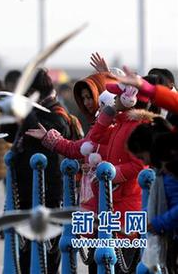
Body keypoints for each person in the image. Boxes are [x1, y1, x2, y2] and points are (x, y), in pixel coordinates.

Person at [26, 82, 155, 274]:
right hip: (103, 206)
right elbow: (83, 145)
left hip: (125, 208)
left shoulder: (139, 127)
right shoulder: (116, 124)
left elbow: (139, 165)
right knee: (98, 262)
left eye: (116, 98)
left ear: (130, 100)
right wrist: (49, 138)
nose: (112, 102)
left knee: (120, 265)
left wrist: (110, 175)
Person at [11, 68, 73, 274]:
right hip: (27, 187)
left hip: (49, 189)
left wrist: (26, 112)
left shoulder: (57, 111)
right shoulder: (35, 110)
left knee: (50, 243)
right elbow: (13, 135)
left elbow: (58, 130)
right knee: (26, 241)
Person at [127, 118, 178, 273]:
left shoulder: (171, 173)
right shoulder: (164, 172)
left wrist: (157, 223)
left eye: (142, 157)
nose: (144, 162)